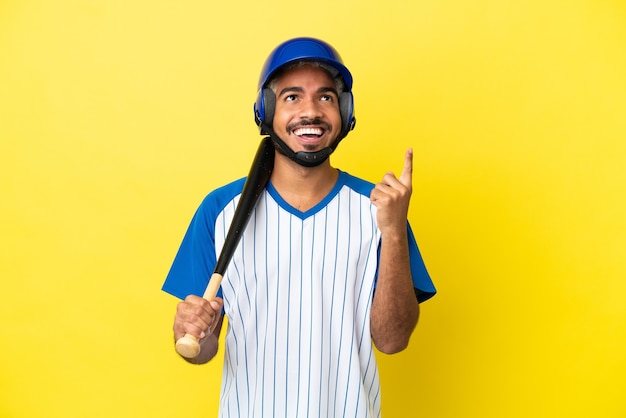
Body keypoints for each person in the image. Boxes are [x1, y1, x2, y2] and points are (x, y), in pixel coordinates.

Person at [162, 37, 436, 418]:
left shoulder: (381, 209)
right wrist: (189, 330)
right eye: (292, 97)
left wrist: (393, 232)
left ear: (344, 111)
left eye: (325, 97)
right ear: (267, 110)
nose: (311, 111)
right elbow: (201, 349)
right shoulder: (220, 209)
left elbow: (392, 341)